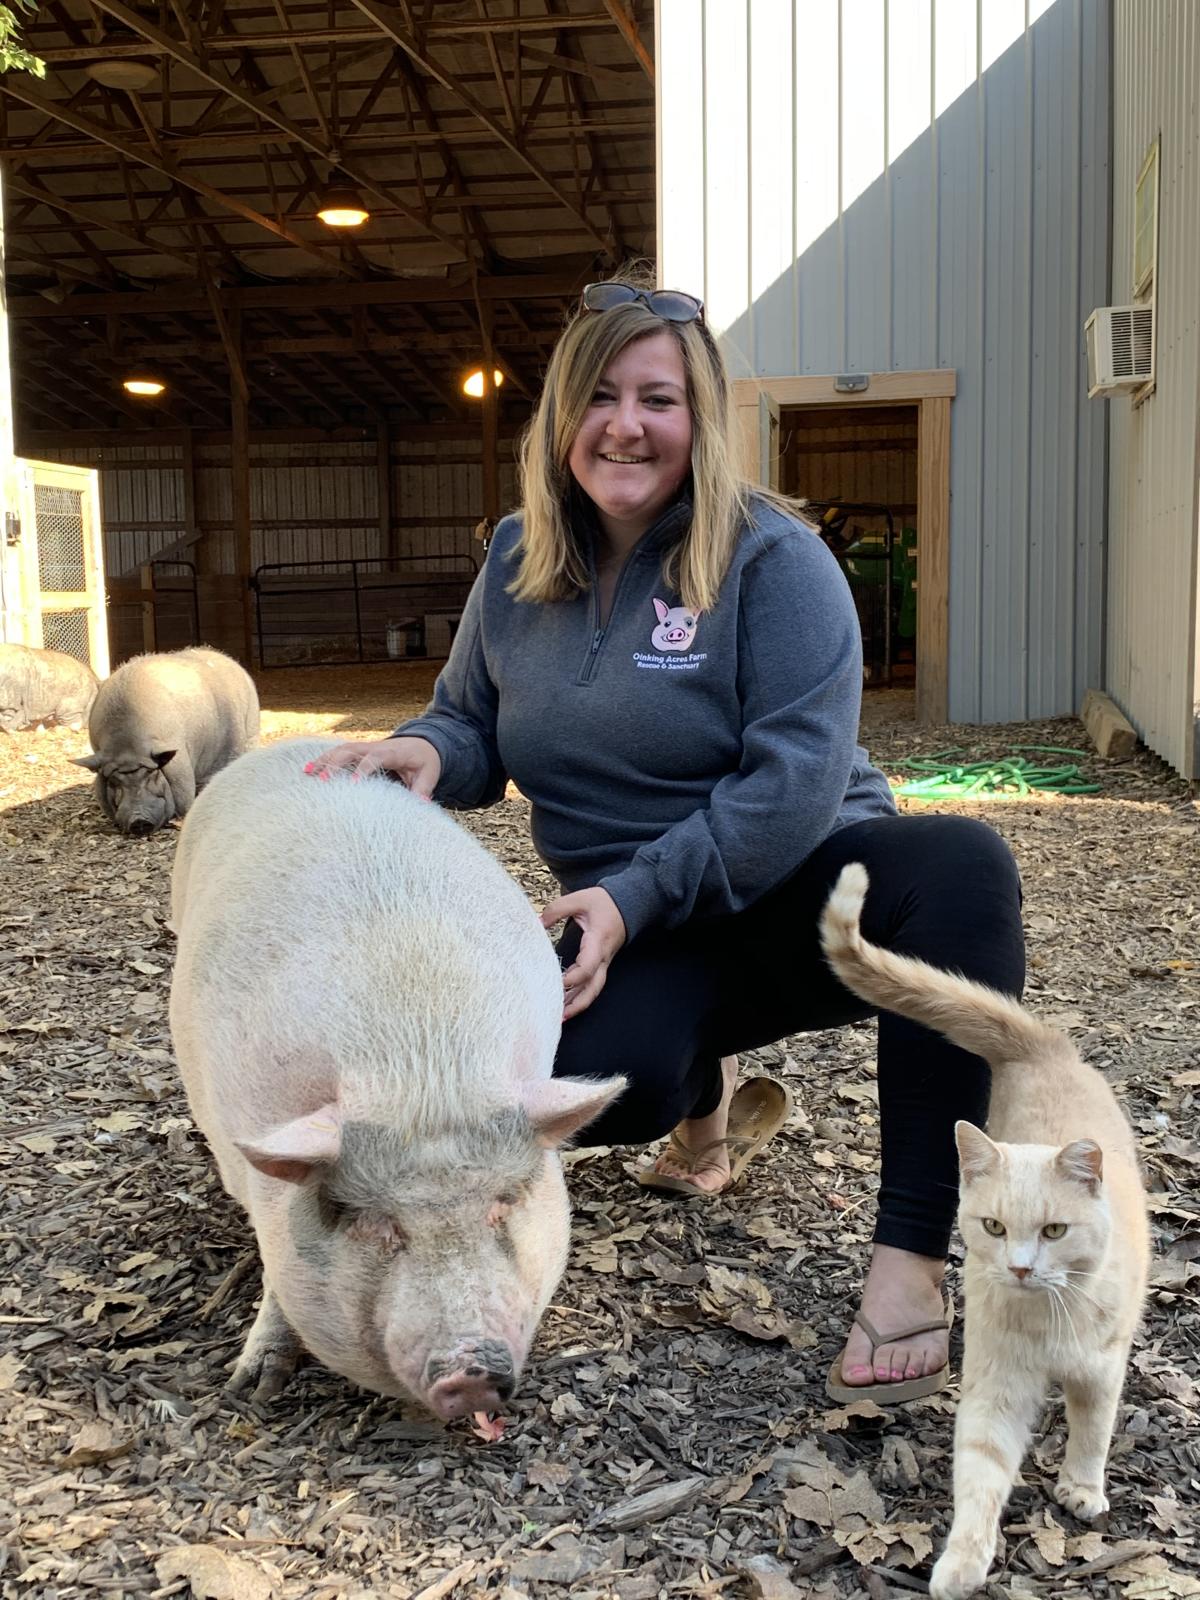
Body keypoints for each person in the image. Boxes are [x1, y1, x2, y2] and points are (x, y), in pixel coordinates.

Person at [307, 275, 1025, 1402]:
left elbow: (790, 787)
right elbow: (473, 721)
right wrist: (425, 754)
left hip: (797, 893)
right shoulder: (514, 561)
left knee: (965, 872)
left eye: (659, 398)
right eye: (600, 395)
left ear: (703, 418)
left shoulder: (773, 563)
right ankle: (698, 1115)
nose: (626, 425)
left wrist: (634, 897)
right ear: (561, 417)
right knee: (614, 1089)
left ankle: (913, 1260)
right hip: (633, 918)